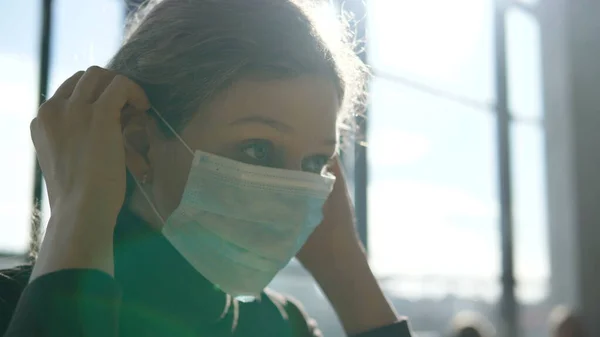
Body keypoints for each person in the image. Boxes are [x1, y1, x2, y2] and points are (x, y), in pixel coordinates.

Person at [0, 0, 413, 336]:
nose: (292, 190)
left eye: (314, 162)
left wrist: (345, 266)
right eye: (258, 149)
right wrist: (78, 216)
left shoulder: (282, 326)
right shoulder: (12, 309)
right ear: (140, 143)